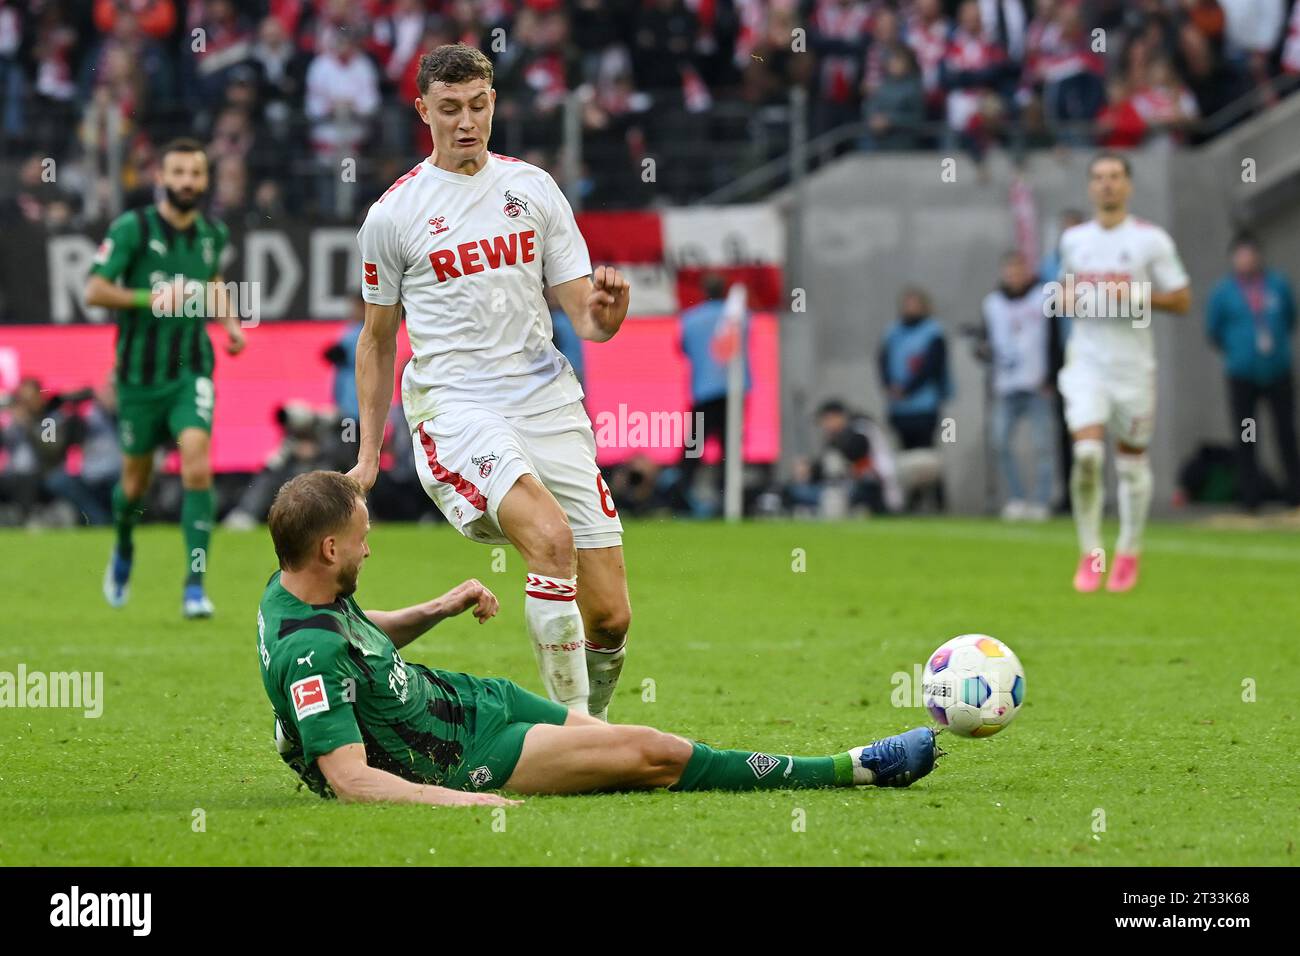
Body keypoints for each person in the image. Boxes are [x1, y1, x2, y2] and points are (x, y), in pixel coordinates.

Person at [258, 470, 940, 804]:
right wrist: (469, 802)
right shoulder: (305, 653)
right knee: (655, 754)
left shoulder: (295, 591)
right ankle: (852, 767)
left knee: (619, 739)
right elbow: (348, 780)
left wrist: (440, 605)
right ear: (326, 549)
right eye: (361, 541)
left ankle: (840, 766)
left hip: (476, 702)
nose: (368, 551)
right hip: (467, 757)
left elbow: (358, 636)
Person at [349, 44, 632, 721]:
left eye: (478, 105)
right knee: (550, 539)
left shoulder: (533, 190)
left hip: (546, 399)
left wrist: (607, 317)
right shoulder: (393, 216)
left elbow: (584, 319)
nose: (467, 121)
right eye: (450, 109)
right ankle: (577, 738)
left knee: (612, 620)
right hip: (457, 407)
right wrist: (368, 454)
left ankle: (586, 723)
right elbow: (377, 338)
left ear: (494, 103)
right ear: (424, 111)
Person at [85, 137, 246, 618]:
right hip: (137, 378)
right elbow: (94, 289)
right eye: (177, 173)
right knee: (135, 484)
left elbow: (213, 280)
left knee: (197, 462)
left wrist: (232, 325)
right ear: (160, 177)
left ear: (205, 180)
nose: (187, 182)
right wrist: (144, 299)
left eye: (195, 174)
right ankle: (124, 545)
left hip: (191, 370)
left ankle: (194, 586)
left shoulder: (212, 233)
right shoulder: (132, 228)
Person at [1056, 152, 1191, 592]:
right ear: (1090, 187)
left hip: (1133, 367)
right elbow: (1061, 295)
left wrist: (1136, 294)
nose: (1107, 184)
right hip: (1087, 363)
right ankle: (1091, 553)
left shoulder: (1151, 240)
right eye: (1099, 177)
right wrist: (1067, 299)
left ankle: (1129, 549)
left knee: (1131, 465)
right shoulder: (1074, 240)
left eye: (1115, 177)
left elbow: (1183, 300)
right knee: (1088, 456)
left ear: (1128, 185)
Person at [1205, 233, 1300, 511]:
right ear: (1234, 259)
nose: (1246, 260)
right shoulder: (1224, 293)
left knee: (1285, 432)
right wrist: (1238, 351)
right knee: (1248, 434)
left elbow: (1290, 318)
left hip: (1277, 371)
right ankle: (1250, 495)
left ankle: (1294, 492)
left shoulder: (1277, 285)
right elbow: (1214, 331)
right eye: (1241, 255)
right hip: (1242, 373)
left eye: (1250, 254)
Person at [981, 250, 1054, 520]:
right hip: (1006, 385)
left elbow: (1055, 336)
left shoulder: (1044, 295)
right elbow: (988, 339)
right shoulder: (993, 303)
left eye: (1018, 270)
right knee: (999, 442)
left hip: (1037, 383)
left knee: (1042, 445)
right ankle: (1016, 497)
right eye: (1009, 271)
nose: (1014, 276)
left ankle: (1041, 500)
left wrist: (1053, 376)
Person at [673, 273, 750, 516]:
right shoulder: (740, 317)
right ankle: (728, 499)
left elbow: (682, 348)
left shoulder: (691, 319)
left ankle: (681, 496)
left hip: (704, 393)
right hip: (734, 395)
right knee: (731, 450)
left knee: (693, 449)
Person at [879, 285, 951, 451]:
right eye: (907, 304)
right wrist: (889, 385)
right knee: (906, 454)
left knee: (925, 455)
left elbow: (932, 366)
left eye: (915, 304)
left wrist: (908, 389)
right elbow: (882, 361)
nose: (910, 308)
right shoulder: (893, 332)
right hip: (899, 407)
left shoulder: (933, 332)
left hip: (925, 405)